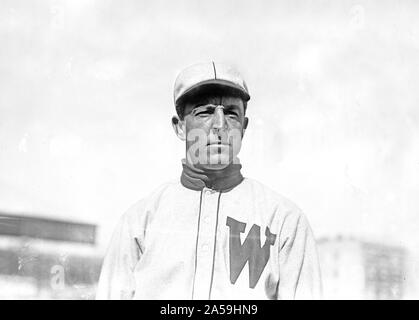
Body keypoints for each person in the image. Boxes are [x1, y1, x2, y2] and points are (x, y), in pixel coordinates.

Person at [96, 61, 322, 300]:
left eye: (232, 113)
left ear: (244, 127)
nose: (220, 125)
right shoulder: (140, 221)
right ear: (180, 127)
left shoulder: (284, 219)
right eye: (204, 112)